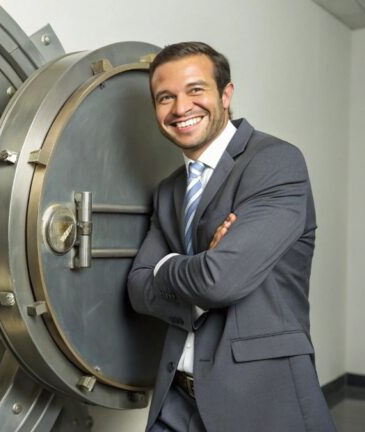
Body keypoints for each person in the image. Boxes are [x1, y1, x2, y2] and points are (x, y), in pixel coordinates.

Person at [127, 42, 336, 431]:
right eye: (165, 98)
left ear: (225, 94)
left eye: (195, 90)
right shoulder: (169, 189)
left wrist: (169, 266)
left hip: (261, 404)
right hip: (175, 404)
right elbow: (139, 287)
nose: (180, 108)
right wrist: (198, 265)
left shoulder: (275, 162)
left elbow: (219, 281)